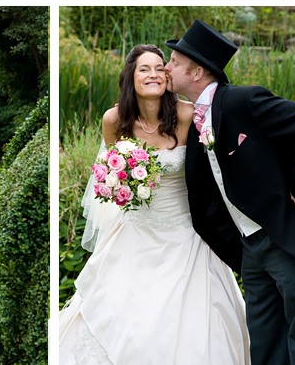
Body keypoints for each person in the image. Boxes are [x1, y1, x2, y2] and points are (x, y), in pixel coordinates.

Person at [59, 44, 249, 363]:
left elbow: (213, 171)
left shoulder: (189, 116)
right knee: (127, 321)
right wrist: (122, 181)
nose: (153, 74)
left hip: (188, 234)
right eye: (143, 69)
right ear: (130, 78)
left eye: (160, 67)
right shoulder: (114, 120)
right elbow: (109, 178)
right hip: (135, 232)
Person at [165, 19, 295, 364]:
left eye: (174, 62)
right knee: (262, 340)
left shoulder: (243, 100)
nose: (167, 67)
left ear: (197, 71)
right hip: (249, 247)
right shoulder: (195, 119)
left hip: (281, 236)